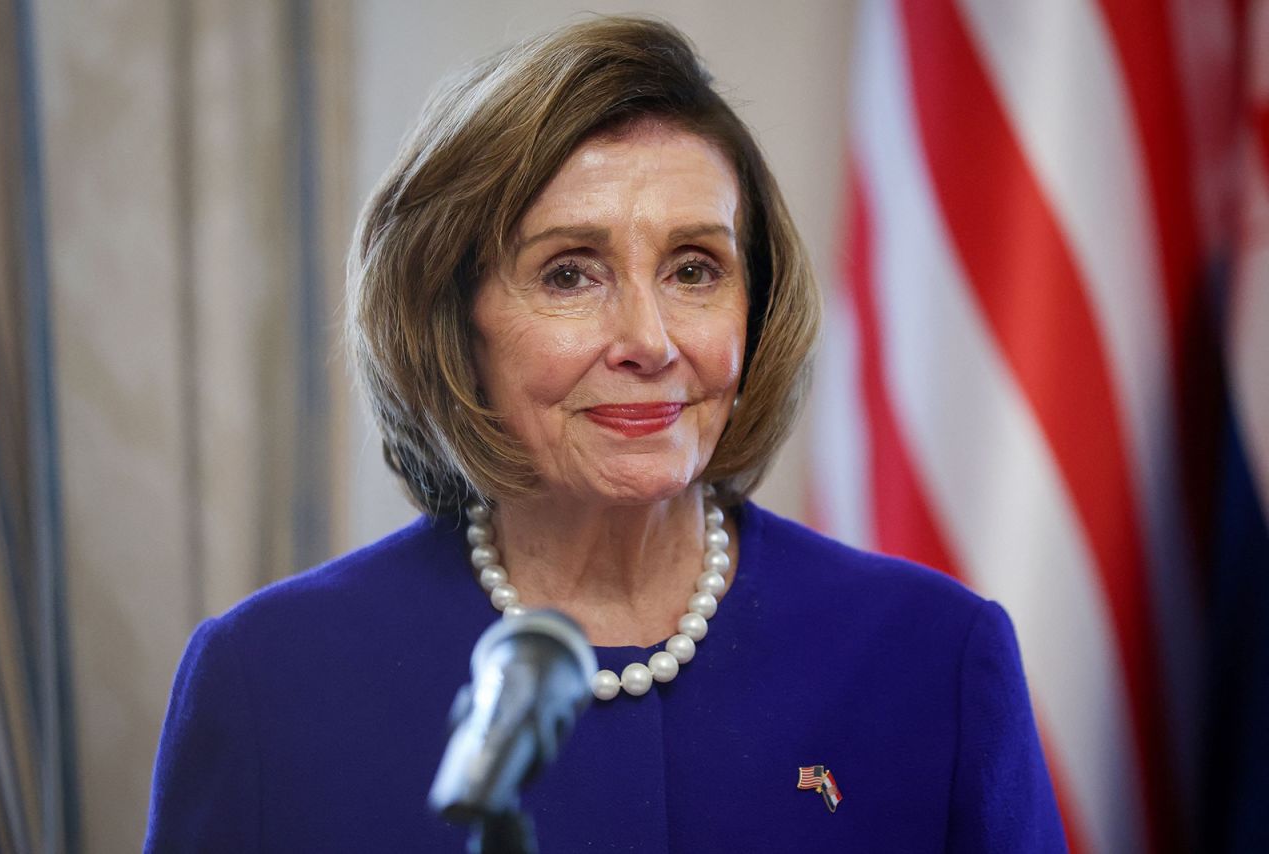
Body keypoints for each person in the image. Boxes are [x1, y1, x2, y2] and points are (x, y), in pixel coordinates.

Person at [144, 16, 1066, 852]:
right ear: (451, 318)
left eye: (695, 270)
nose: (650, 342)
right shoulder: (272, 679)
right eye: (569, 274)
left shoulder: (934, 656)